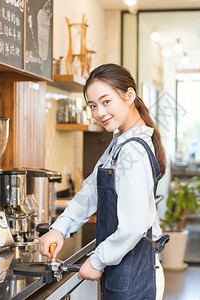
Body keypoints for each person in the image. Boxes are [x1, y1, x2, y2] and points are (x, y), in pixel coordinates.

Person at [39, 63, 169, 299]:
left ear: (129, 95)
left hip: (136, 272)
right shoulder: (120, 142)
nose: (99, 112)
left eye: (106, 101)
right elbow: (92, 190)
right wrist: (60, 228)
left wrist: (98, 260)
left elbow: (136, 224)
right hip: (126, 270)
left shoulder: (133, 150)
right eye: (92, 105)